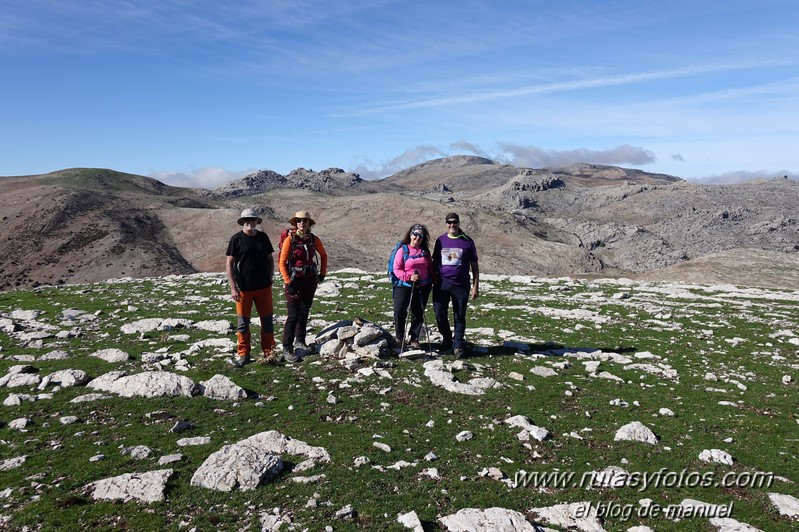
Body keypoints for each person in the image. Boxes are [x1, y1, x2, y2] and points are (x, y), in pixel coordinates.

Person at [225, 208, 276, 367]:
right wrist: (233, 287)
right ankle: (244, 354)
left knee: (267, 322)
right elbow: (229, 264)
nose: (250, 223)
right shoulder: (236, 239)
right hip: (243, 290)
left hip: (263, 288)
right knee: (242, 324)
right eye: (247, 220)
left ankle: (269, 353)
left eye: (253, 220)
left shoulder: (263, 237)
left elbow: (270, 258)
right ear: (242, 222)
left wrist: (270, 276)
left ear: (256, 222)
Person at [279, 210, 328, 362]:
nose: (302, 223)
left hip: (310, 279)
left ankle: (300, 341)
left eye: (304, 221)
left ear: (309, 223)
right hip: (294, 280)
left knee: (305, 310)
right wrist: (288, 282)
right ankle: (287, 348)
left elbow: (323, 255)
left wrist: (322, 273)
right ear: (295, 223)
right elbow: (282, 262)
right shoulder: (290, 240)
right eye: (299, 221)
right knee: (293, 314)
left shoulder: (314, 239)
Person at [432, 212, 479, 358]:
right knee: (439, 313)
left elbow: (474, 265)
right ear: (446, 224)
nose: (452, 225)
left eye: (455, 222)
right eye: (449, 222)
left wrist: (475, 286)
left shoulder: (467, 241)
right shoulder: (440, 240)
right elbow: (435, 261)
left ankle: (458, 344)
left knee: (459, 316)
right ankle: (447, 339)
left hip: (461, 285)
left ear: (459, 223)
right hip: (442, 283)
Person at [392, 224, 434, 350]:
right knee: (399, 310)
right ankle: (400, 337)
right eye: (415, 234)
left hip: (423, 286)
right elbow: (396, 269)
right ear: (410, 235)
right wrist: (409, 277)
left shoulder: (425, 252)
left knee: (418, 312)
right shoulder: (403, 250)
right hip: (404, 285)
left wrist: (432, 281)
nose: (417, 237)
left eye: (421, 235)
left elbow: (430, 268)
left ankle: (414, 338)